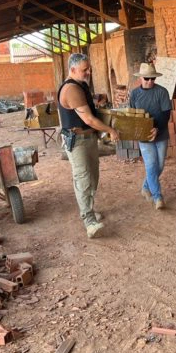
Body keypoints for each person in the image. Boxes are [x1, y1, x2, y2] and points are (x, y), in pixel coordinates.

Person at [58, 53, 120, 238]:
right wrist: (111, 130)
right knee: (83, 179)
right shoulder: (71, 89)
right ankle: (89, 220)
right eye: (85, 70)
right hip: (77, 141)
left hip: (88, 138)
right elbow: (89, 119)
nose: (88, 72)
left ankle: (90, 209)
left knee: (93, 176)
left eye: (89, 68)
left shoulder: (81, 85)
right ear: (73, 70)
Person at [129, 63, 172, 210]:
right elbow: (132, 114)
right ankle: (158, 197)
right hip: (144, 135)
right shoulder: (134, 94)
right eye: (147, 78)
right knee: (151, 165)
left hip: (161, 133)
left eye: (153, 79)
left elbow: (166, 113)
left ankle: (146, 186)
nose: (150, 82)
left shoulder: (162, 92)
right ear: (141, 78)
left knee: (159, 166)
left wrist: (157, 129)